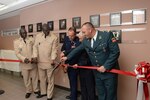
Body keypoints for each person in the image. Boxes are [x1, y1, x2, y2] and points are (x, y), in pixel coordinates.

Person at [61, 22, 120, 100]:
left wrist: (106, 66)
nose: (83, 34)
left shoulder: (106, 36)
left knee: (110, 96)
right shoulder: (86, 41)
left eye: (84, 32)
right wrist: (67, 57)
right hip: (97, 72)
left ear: (90, 30)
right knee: (101, 94)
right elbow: (77, 50)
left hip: (109, 72)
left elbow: (115, 52)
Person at [33, 23, 58, 100]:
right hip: (40, 62)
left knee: (50, 79)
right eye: (44, 30)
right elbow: (35, 47)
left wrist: (53, 59)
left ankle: (49, 96)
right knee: (42, 78)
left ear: (49, 29)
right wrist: (35, 56)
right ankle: (43, 92)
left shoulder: (54, 37)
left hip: (49, 62)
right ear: (42, 30)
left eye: (47, 30)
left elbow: (54, 49)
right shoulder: (38, 36)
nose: (46, 32)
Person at [14, 28, 40, 98]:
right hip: (24, 64)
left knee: (35, 77)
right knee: (26, 78)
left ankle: (36, 90)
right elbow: (17, 53)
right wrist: (23, 59)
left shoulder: (31, 39)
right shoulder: (16, 42)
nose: (25, 34)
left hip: (32, 63)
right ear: (20, 34)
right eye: (23, 33)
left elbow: (35, 49)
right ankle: (28, 91)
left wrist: (34, 57)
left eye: (25, 33)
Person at [60, 27, 80, 100]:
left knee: (73, 80)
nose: (70, 37)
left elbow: (74, 50)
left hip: (75, 64)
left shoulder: (78, 40)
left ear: (75, 34)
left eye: (72, 36)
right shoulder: (66, 39)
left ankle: (73, 97)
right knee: (71, 80)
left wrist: (65, 52)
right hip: (67, 63)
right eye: (69, 35)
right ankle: (72, 94)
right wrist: (62, 52)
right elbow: (63, 48)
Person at [75, 31, 96, 100]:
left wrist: (79, 64)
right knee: (83, 88)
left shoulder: (90, 45)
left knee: (90, 88)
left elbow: (90, 59)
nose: (78, 38)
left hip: (88, 71)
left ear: (84, 36)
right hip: (81, 70)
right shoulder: (80, 44)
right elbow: (74, 52)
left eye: (80, 36)